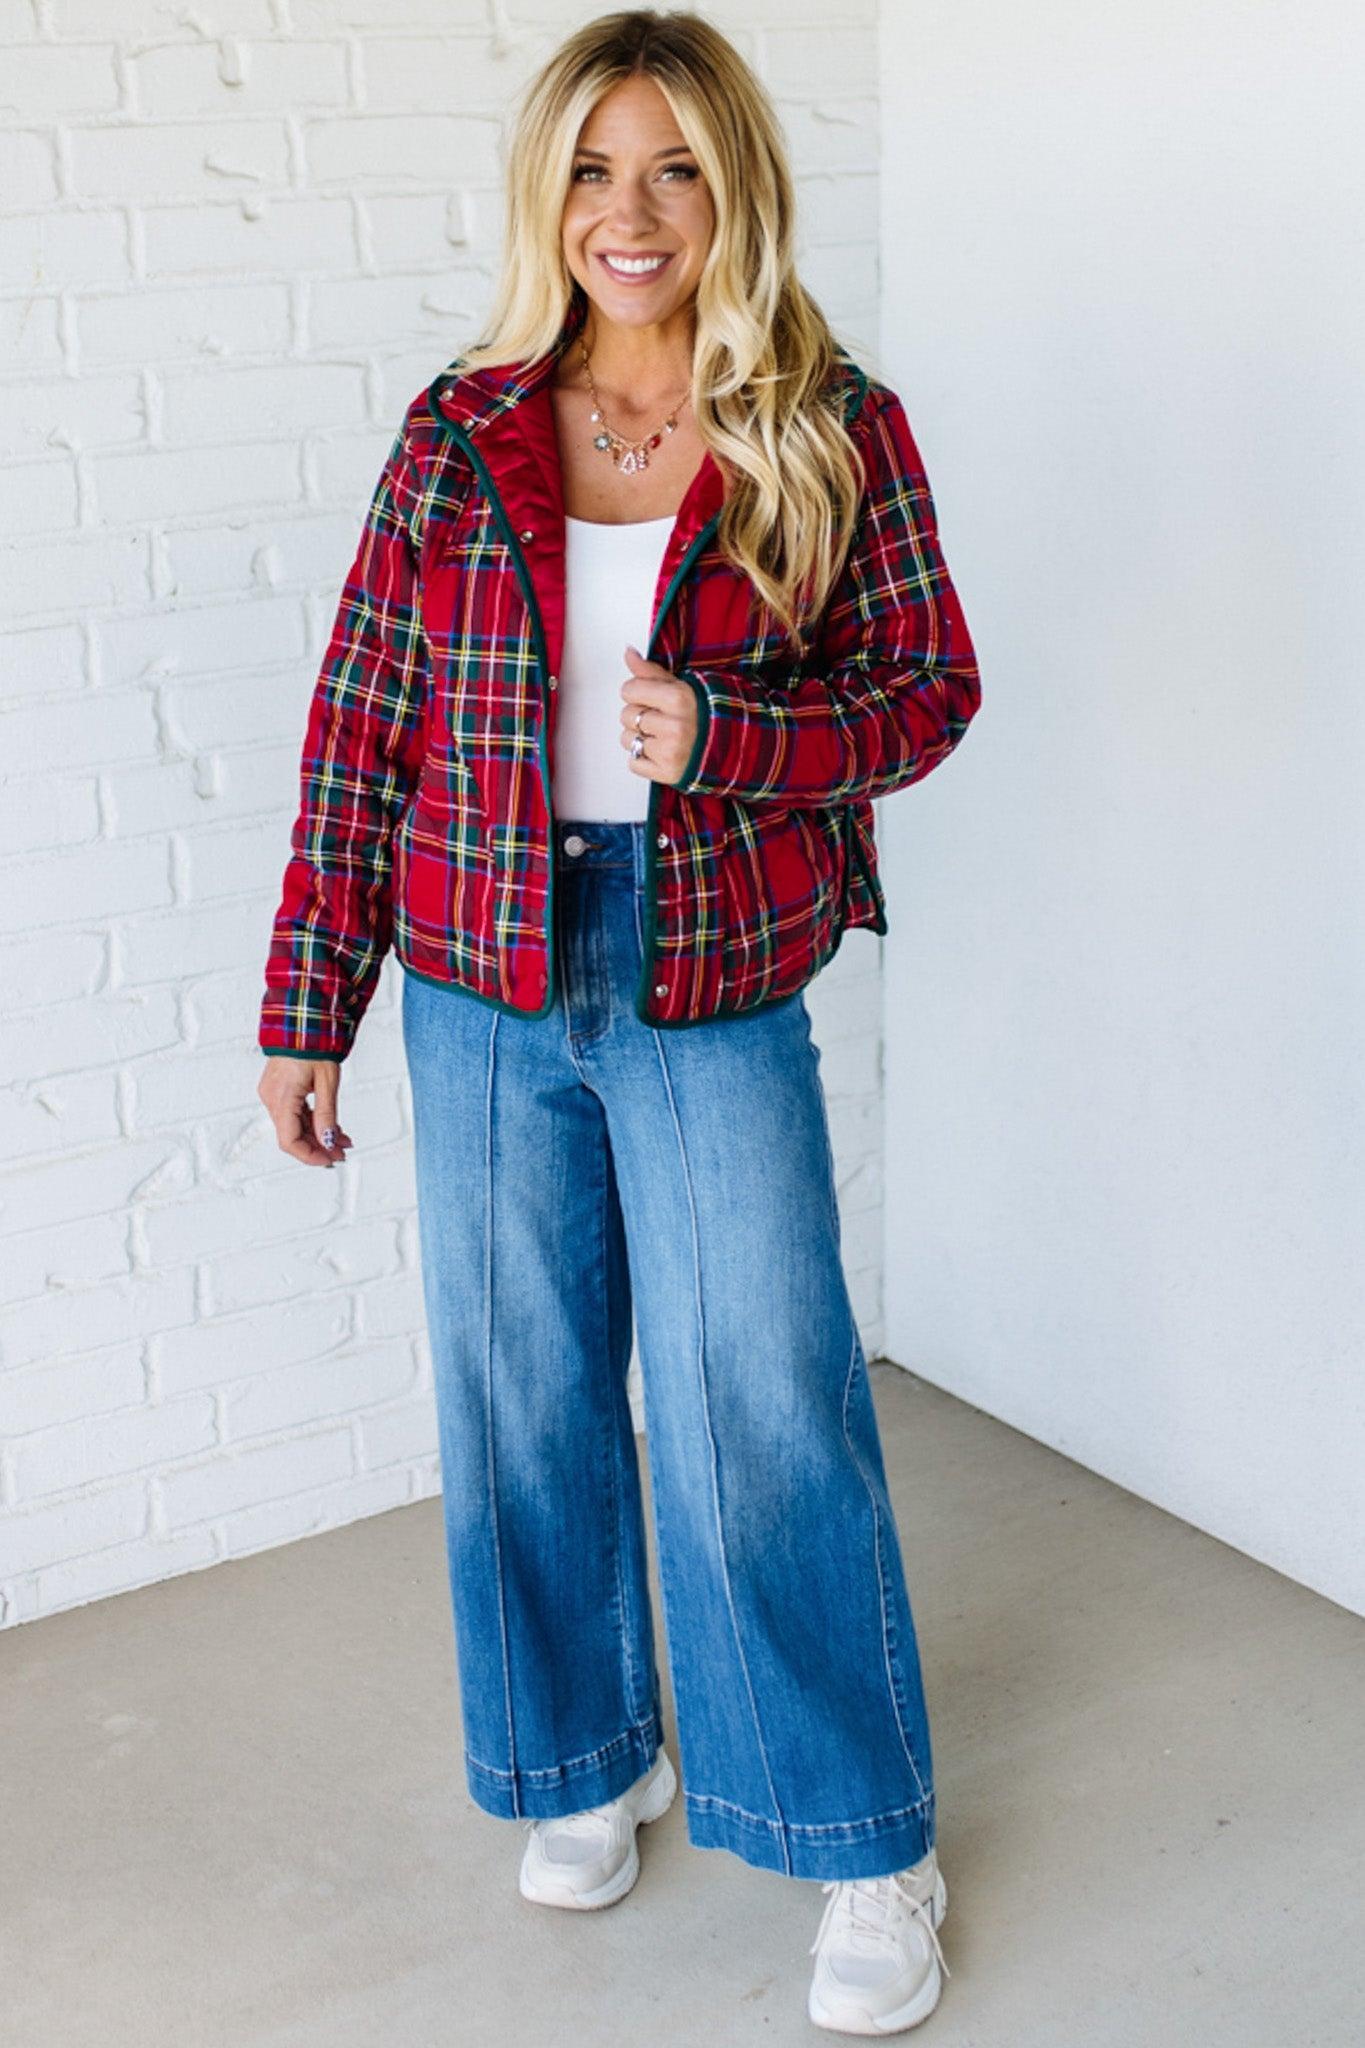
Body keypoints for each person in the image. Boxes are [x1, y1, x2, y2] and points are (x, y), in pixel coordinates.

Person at [257, 9, 980, 2034]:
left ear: (732, 188)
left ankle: (859, 1836)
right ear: (545, 195)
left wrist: (725, 733)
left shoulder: (828, 425)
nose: (629, 212)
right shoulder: (461, 427)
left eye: (672, 168)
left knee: (763, 1402)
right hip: (476, 971)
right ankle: (586, 1761)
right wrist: (310, 999)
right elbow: (361, 723)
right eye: (591, 168)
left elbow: (926, 691)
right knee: (522, 1394)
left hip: (708, 967)